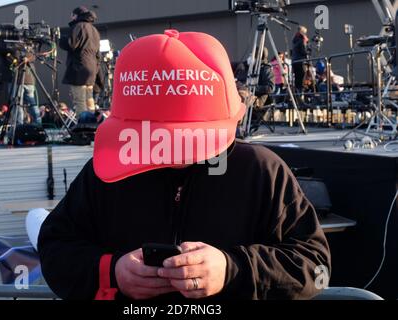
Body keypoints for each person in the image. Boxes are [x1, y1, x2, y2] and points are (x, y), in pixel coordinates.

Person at [38, 30, 331, 301]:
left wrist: (233, 269)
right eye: (157, 138)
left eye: (190, 139)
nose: (173, 153)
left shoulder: (261, 171)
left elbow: (315, 267)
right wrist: (112, 272)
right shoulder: (107, 172)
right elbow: (55, 248)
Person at [60, 6, 101, 119]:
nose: (71, 18)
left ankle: (83, 127)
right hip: (91, 69)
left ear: (76, 15)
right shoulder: (94, 30)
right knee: (89, 100)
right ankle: (92, 125)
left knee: (80, 100)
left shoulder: (78, 26)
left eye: (72, 15)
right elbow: (98, 54)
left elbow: (71, 44)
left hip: (79, 68)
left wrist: (61, 39)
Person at [292, 26, 309, 94]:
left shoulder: (294, 39)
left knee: (297, 79)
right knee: (303, 79)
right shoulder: (302, 40)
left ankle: (297, 95)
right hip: (301, 62)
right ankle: (302, 94)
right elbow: (303, 51)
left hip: (295, 61)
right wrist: (308, 52)